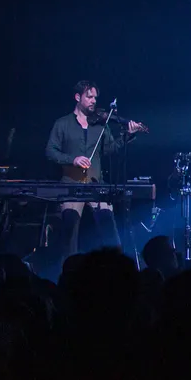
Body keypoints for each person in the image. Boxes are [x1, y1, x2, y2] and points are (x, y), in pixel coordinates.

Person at [45, 80, 147, 257]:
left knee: (109, 230)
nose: (93, 101)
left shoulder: (100, 125)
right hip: (71, 184)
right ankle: (68, 268)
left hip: (96, 183)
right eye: (89, 97)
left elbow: (110, 149)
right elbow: (50, 151)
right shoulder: (62, 123)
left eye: (95, 98)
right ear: (78, 97)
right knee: (69, 231)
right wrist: (73, 159)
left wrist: (128, 135)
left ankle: (116, 264)